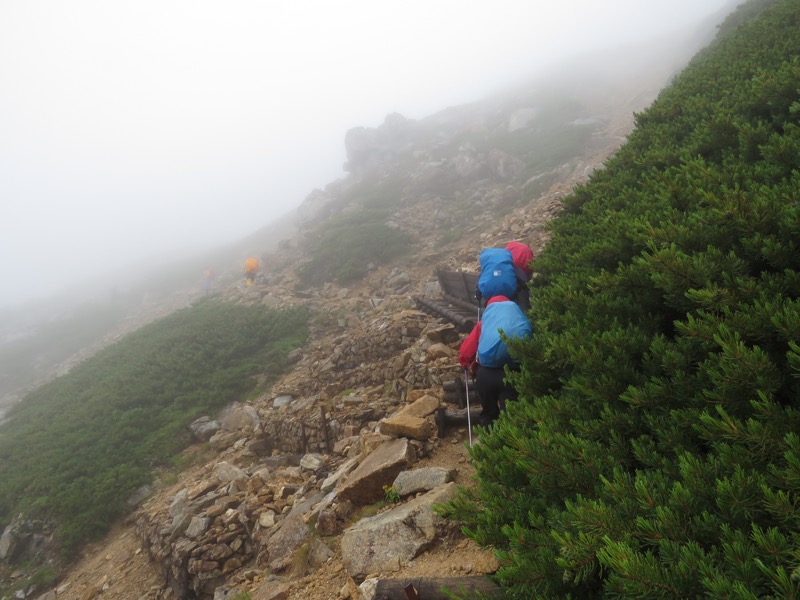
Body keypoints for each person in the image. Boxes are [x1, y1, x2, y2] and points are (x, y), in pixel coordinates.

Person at [458, 295, 532, 427]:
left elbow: (466, 352)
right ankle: (512, 445)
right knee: (512, 417)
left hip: (486, 374)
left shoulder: (484, 323)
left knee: (488, 415)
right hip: (512, 373)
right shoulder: (519, 320)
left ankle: (490, 444)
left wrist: (464, 362)